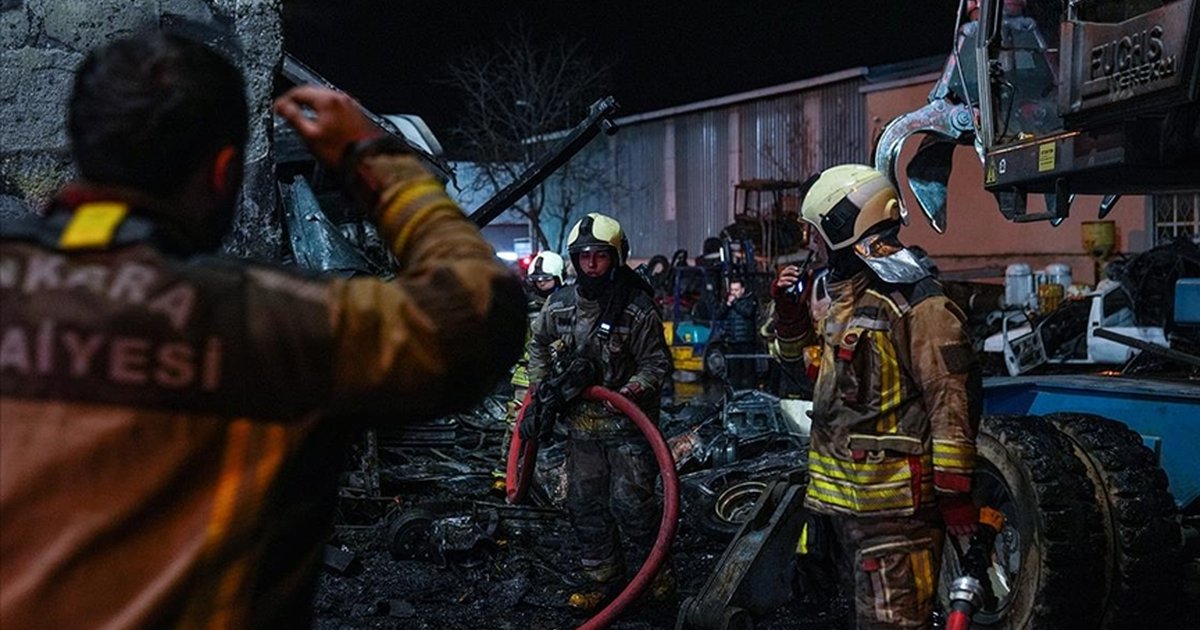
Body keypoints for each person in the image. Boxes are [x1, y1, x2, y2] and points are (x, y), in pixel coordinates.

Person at [0, 29, 525, 628]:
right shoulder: (279, 324)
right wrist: (376, 160)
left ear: (84, 147)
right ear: (224, 172)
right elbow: (479, 311)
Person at [769, 165, 981, 628]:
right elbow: (817, 380)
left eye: (818, 234)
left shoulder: (918, 305)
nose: (813, 247)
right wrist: (789, 320)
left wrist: (954, 492)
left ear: (843, 229)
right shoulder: (848, 301)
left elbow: (951, 400)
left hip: (895, 513)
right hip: (847, 507)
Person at [522, 212, 672, 612]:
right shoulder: (558, 307)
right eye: (583, 255)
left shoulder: (636, 310)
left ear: (616, 257)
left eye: (600, 256)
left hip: (627, 428)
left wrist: (627, 392)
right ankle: (603, 581)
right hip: (580, 430)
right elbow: (537, 346)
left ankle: (654, 576)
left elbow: (656, 364)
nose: (590, 263)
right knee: (585, 505)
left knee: (632, 504)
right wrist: (541, 387)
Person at [503, 250, 566, 457]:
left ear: (558, 277)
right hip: (526, 372)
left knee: (557, 423)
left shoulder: (567, 304)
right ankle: (507, 471)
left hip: (559, 373)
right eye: (536, 280)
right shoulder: (526, 306)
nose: (540, 284)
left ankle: (545, 469)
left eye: (545, 279)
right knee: (517, 422)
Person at [716, 277, 759, 389]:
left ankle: (751, 393)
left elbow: (748, 312)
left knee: (749, 370)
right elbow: (719, 315)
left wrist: (734, 303)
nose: (734, 293)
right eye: (732, 290)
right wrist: (726, 305)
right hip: (732, 341)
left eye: (736, 290)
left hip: (746, 341)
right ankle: (736, 394)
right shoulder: (727, 302)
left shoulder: (750, 299)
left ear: (742, 290)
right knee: (734, 372)